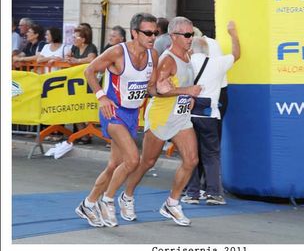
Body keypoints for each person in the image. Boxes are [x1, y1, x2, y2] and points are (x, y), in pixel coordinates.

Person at [75, 13, 165, 227]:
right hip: (113, 112)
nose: (153, 37)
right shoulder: (117, 52)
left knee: (114, 164)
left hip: (132, 114)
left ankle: (88, 203)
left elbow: (151, 87)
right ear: (134, 33)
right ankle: (108, 199)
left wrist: (163, 89)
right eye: (148, 32)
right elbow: (89, 71)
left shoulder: (153, 54)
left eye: (155, 33)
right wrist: (102, 96)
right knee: (133, 160)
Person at [120, 16, 202, 227]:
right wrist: (187, 91)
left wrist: (189, 98)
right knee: (147, 162)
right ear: (174, 36)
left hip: (181, 118)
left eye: (192, 34)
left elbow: (181, 86)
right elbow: (157, 91)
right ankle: (127, 196)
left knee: (192, 160)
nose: (190, 38)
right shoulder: (167, 60)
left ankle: (172, 202)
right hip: (161, 117)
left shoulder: (187, 56)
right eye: (186, 35)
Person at [182, 21, 240, 206]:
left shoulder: (186, 64)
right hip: (210, 116)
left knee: (191, 154)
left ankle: (192, 193)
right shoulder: (217, 64)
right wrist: (233, 34)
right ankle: (213, 193)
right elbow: (237, 55)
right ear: (207, 50)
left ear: (192, 49)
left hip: (188, 116)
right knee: (211, 154)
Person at [65, 25, 98, 144]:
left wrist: (77, 61)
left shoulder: (91, 47)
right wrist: (68, 59)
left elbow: (91, 59)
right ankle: (82, 133)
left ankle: (86, 134)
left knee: (84, 107)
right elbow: (67, 55)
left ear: (83, 39)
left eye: (76, 37)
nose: (73, 39)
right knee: (75, 107)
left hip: (88, 83)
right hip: (76, 83)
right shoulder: (74, 47)